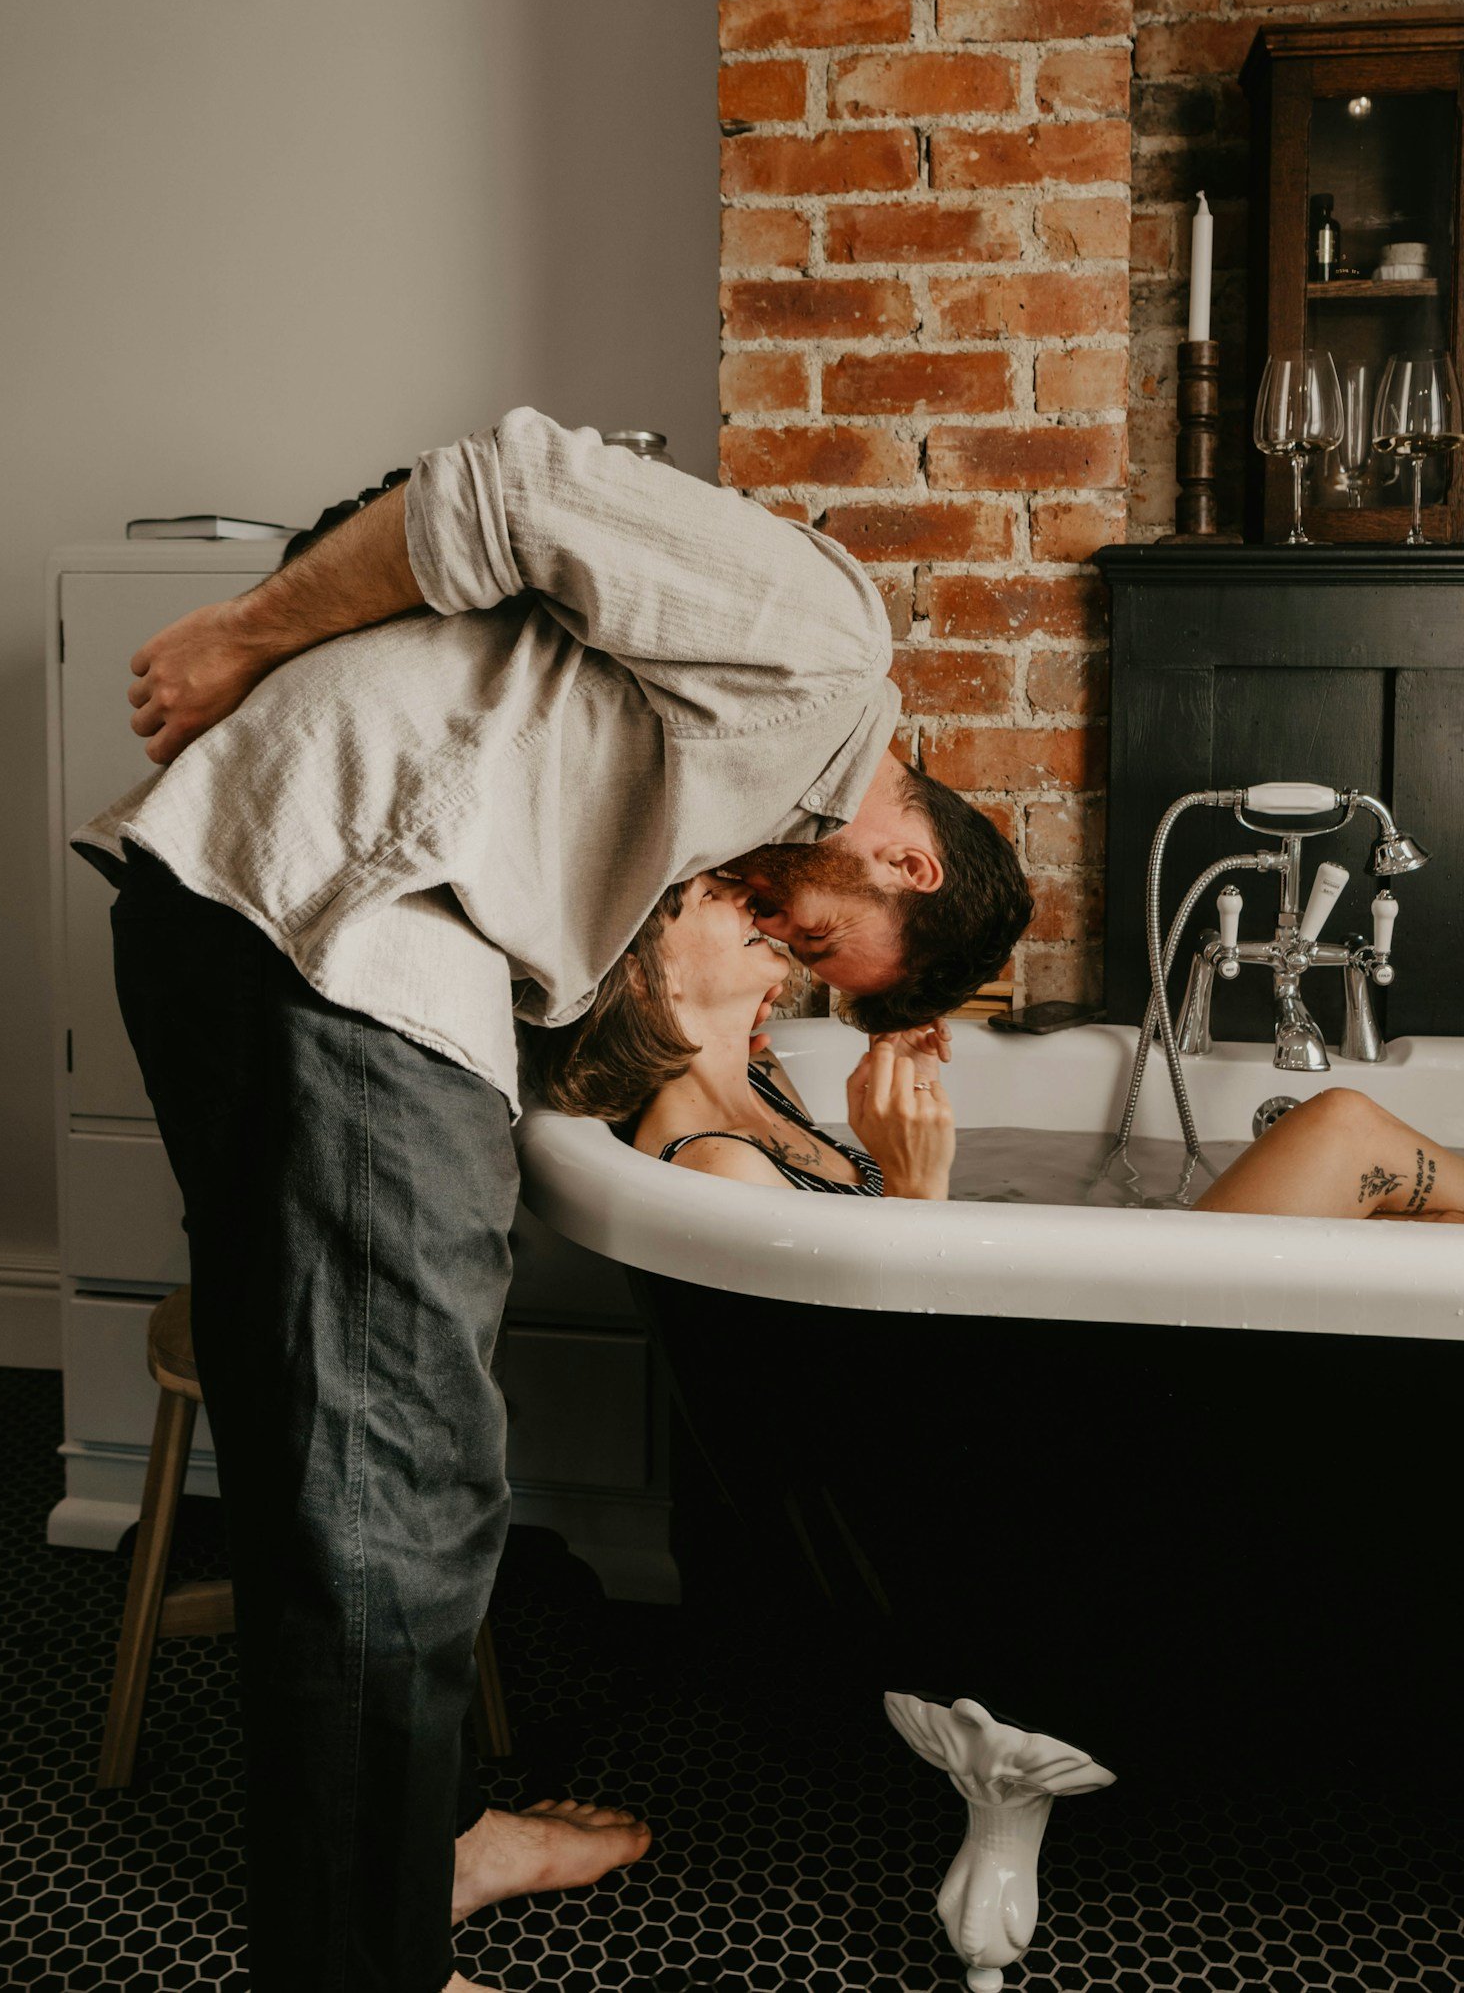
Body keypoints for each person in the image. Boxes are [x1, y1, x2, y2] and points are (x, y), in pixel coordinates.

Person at [74, 410, 1033, 1993]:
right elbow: (502, 486)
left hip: (269, 926)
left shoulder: (686, 773)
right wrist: (238, 638)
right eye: (818, 952)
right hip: (345, 950)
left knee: (352, 1468)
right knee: (398, 1500)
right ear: (912, 871)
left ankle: (424, 1856)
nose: (784, 948)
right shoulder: (830, 656)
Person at [532, 872, 1464, 1231]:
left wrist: (888, 1024)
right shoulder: (713, 1162)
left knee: (1409, 1226)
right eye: (704, 900)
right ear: (650, 975)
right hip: (1041, 1386)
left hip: (1037, 1326)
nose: (741, 895)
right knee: (1340, 1127)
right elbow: (861, 1389)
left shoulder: (758, 1077)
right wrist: (916, 1189)